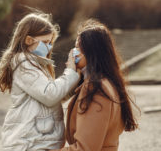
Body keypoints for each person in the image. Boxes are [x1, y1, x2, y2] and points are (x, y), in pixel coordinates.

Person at [0, 12, 80, 151]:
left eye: (50, 42)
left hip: (38, 141)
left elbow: (51, 98)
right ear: (28, 40)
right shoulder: (23, 63)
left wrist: (74, 84)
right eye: (45, 42)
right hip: (29, 143)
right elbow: (50, 95)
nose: (49, 47)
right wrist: (70, 72)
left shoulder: (36, 64)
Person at [58, 19, 138, 151]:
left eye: (77, 47)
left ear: (91, 51)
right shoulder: (108, 83)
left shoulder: (95, 88)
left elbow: (85, 148)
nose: (73, 52)